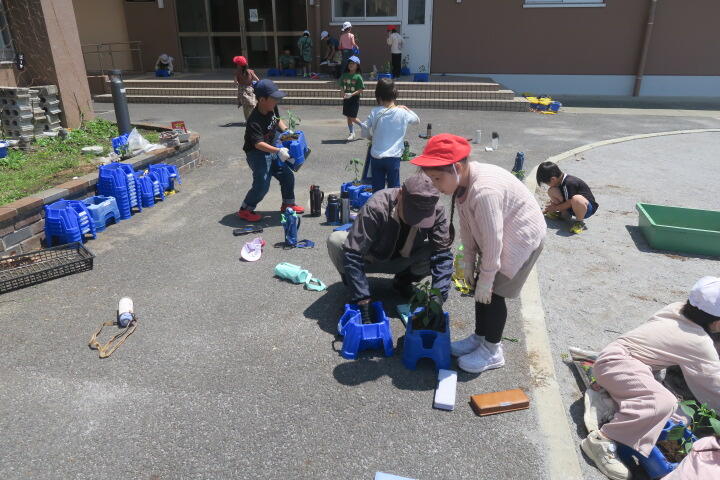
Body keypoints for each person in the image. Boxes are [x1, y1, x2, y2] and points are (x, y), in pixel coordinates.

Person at [411, 134, 546, 374]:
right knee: (479, 286)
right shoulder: (462, 184)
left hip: (521, 237)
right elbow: (467, 226)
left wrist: (487, 278)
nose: (435, 185)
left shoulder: (484, 191)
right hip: (500, 232)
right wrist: (468, 261)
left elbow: (494, 241)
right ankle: (480, 337)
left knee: (493, 292)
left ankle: (493, 350)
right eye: (431, 179)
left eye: (438, 178)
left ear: (457, 168)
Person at [580, 276, 720, 480]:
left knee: (672, 413)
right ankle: (601, 441)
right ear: (716, 323)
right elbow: (714, 387)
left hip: (619, 363)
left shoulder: (676, 309)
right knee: (663, 402)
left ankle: (609, 397)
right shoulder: (699, 343)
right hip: (618, 365)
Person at [327, 173, 453, 323]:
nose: (416, 221)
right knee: (336, 240)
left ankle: (402, 281)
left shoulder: (437, 210)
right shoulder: (377, 205)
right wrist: (362, 300)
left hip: (404, 260)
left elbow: (443, 257)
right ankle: (353, 284)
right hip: (371, 258)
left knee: (435, 251)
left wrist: (437, 299)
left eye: (422, 217)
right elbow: (353, 253)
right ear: (400, 194)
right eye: (413, 214)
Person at [237, 79, 304, 222]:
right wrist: (278, 151)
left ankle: (288, 204)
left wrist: (287, 132)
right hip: (257, 154)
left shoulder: (271, 107)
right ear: (262, 100)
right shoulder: (254, 120)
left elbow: (277, 120)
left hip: (272, 148)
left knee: (287, 176)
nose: (277, 101)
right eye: (274, 98)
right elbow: (258, 144)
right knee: (262, 184)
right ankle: (245, 209)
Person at [354, 78, 418, 192]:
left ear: (378, 95)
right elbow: (417, 120)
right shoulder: (402, 112)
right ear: (395, 93)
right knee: (394, 191)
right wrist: (406, 109)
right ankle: (392, 204)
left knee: (377, 191)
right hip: (393, 157)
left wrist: (369, 137)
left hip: (376, 157)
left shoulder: (375, 111)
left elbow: (364, 128)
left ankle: (378, 203)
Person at [536, 160, 599, 234]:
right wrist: (548, 210)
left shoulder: (570, 183)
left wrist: (555, 208)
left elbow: (570, 202)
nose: (547, 185)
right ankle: (564, 214)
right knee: (552, 191)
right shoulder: (559, 181)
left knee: (576, 199)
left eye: (547, 183)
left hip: (586, 209)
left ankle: (579, 222)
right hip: (573, 205)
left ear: (553, 179)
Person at [339, 55, 364, 142]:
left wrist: (352, 94)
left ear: (357, 66)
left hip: (354, 99)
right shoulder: (344, 75)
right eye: (350, 63)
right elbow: (341, 84)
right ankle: (351, 133)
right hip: (346, 99)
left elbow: (361, 89)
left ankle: (363, 126)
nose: (351, 65)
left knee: (353, 117)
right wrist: (342, 92)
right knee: (348, 117)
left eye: (353, 63)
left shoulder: (358, 76)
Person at [233, 55, 260, 121]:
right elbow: (258, 80)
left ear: (239, 65)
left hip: (242, 91)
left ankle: (248, 120)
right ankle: (253, 119)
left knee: (246, 107)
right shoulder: (250, 71)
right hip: (250, 90)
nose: (236, 65)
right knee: (253, 105)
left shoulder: (237, 72)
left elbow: (235, 82)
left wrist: (238, 82)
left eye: (237, 64)